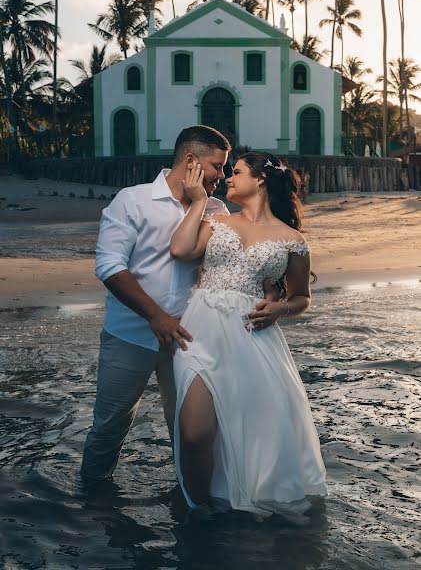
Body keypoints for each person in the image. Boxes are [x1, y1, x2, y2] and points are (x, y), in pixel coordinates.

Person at [80, 126, 277, 483]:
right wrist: (155, 316)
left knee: (189, 432)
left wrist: (272, 292)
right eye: (218, 166)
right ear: (191, 161)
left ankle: (189, 510)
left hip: (190, 339)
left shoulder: (215, 210)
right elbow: (109, 266)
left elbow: (227, 269)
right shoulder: (132, 200)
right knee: (110, 426)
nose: (222, 175)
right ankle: (90, 507)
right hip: (129, 336)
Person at [170, 151, 327, 516]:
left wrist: (280, 308)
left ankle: (225, 508)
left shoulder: (292, 240)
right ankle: (199, 509)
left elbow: (302, 297)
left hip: (251, 338)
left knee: (253, 427)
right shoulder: (217, 220)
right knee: (194, 434)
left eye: (236, 172)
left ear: (260, 179)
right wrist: (197, 202)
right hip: (200, 332)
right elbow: (179, 250)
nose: (228, 177)